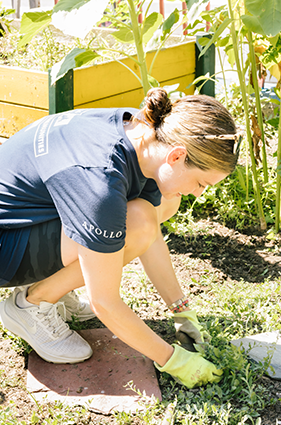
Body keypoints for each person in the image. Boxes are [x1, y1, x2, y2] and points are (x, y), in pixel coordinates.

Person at [0, 87, 239, 389]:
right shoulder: (100, 179)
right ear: (177, 155)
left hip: (24, 217)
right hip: (4, 245)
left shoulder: (144, 134)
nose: (198, 192)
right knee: (135, 224)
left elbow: (150, 235)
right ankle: (31, 306)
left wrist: (181, 309)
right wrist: (172, 360)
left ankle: (54, 288)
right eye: (200, 182)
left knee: (156, 207)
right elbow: (105, 302)